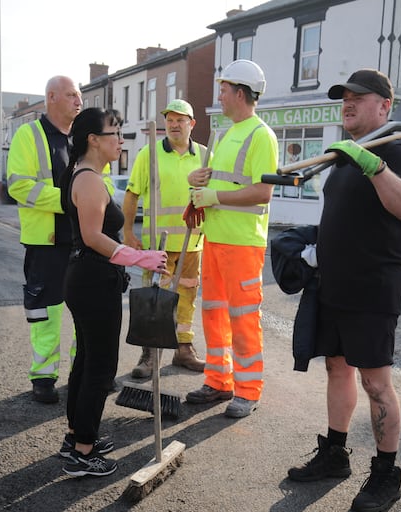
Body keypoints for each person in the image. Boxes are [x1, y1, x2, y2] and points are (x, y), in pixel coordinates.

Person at [285, 69, 401, 512]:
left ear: (384, 106)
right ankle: (335, 454)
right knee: (337, 369)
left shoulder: (396, 151)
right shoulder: (344, 156)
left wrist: (376, 166)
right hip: (334, 286)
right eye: (344, 98)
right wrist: (313, 246)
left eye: (358, 97)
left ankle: (386, 474)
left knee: (376, 384)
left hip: (372, 289)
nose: (348, 103)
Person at [59, 107, 168, 477]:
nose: (120, 141)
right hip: (93, 280)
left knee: (87, 361)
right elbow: (93, 238)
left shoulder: (86, 175)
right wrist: (142, 258)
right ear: (93, 139)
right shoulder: (88, 180)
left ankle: (76, 437)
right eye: (114, 133)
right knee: (100, 367)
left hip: (88, 279)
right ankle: (83, 453)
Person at [184, 59, 278, 418]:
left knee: (242, 319)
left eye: (223, 89)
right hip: (216, 239)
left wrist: (215, 198)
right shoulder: (223, 133)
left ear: (240, 93)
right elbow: (219, 179)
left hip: (243, 244)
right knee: (214, 315)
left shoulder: (260, 135)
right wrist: (199, 180)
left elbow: (263, 191)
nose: (219, 96)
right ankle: (218, 381)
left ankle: (248, 390)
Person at [6, 75, 82, 404]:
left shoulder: (82, 138)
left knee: (84, 312)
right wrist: (68, 198)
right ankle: (44, 376)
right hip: (46, 243)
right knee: (46, 313)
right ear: (51, 97)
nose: (78, 101)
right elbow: (18, 185)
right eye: (71, 95)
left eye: (80, 96)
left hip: (82, 242)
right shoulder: (29, 135)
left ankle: (84, 371)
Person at [123, 99, 207, 378]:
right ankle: (149, 354)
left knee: (187, 297)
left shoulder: (205, 156)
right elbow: (132, 193)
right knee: (153, 299)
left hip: (192, 244)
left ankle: (183, 348)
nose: (173, 124)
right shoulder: (150, 154)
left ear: (191, 124)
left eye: (179, 120)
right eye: (169, 120)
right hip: (156, 245)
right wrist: (127, 232)